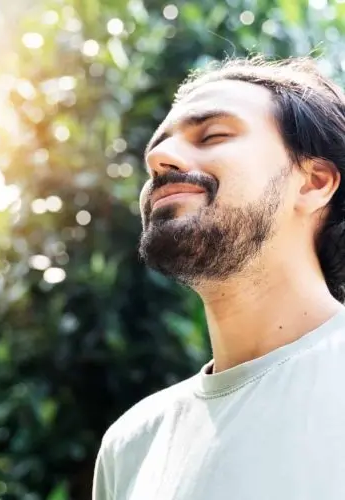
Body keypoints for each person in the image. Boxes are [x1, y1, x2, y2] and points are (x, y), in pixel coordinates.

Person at [92, 55, 345, 500]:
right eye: (156, 153)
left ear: (313, 183)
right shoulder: (131, 446)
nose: (159, 158)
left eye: (213, 135)